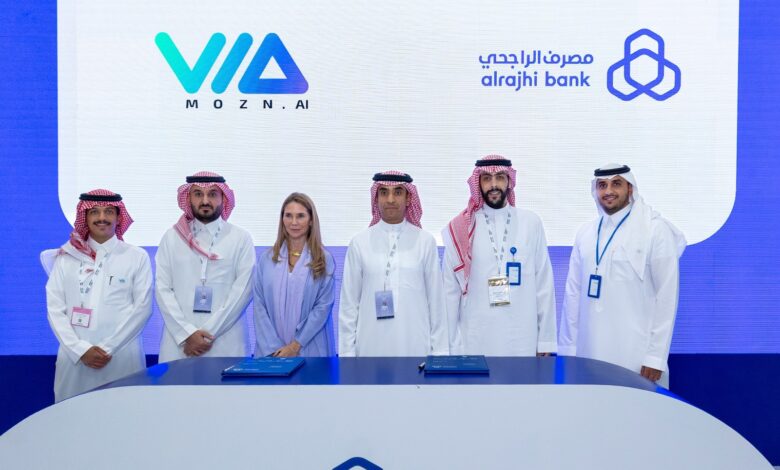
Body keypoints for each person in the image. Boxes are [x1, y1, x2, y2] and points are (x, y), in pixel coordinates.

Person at [559, 163, 686, 386]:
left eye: (616, 184)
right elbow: (573, 295)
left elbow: (666, 297)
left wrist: (655, 357)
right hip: (589, 353)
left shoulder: (655, 230)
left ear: (630, 188)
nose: (608, 191)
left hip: (636, 357)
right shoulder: (585, 233)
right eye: (602, 185)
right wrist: (568, 349)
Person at [442, 155, 557, 356]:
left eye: (500, 178)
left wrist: (545, 342)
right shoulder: (461, 228)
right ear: (478, 183)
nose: (493, 185)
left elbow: (544, 286)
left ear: (509, 181)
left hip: (522, 337)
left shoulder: (531, 223)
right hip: (475, 338)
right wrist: (449, 347)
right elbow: (449, 293)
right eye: (486, 178)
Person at [46, 190, 152, 402]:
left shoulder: (136, 256)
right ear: (84, 217)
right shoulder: (66, 257)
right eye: (94, 212)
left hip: (121, 357)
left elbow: (143, 309)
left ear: (119, 217)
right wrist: (80, 350)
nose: (101, 218)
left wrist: (108, 349)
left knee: (124, 415)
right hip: (75, 359)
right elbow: (55, 309)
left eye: (108, 212)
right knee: (72, 416)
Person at [339, 171, 448, 357]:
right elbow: (349, 305)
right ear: (376, 198)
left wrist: (440, 354)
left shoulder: (425, 242)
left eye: (397, 192)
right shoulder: (359, 243)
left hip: (415, 346)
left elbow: (436, 302)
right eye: (384, 192)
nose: (390, 199)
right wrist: (347, 356)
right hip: (370, 347)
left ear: (408, 198)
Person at [156, 171, 254, 361]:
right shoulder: (172, 238)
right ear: (189, 198)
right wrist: (187, 334)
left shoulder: (240, 238)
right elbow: (162, 289)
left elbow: (243, 291)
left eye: (213, 194)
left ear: (223, 198)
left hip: (226, 342)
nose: (205, 201)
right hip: (180, 343)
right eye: (198, 194)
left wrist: (207, 335)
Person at [253, 193, 335, 357]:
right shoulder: (266, 259)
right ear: (282, 220)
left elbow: (322, 307)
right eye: (288, 215)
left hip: (310, 349)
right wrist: (274, 349)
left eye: (300, 216)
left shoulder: (323, 259)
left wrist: (295, 346)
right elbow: (259, 306)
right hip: (271, 353)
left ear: (311, 220)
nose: (294, 222)